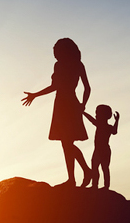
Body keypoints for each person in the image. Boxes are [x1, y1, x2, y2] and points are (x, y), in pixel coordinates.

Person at [22, 38, 91, 187]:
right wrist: (82, 105)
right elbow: (59, 86)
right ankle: (81, 174)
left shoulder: (67, 65)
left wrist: (82, 105)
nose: (55, 53)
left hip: (67, 105)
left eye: (57, 50)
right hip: (64, 104)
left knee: (67, 142)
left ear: (65, 51)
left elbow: (83, 88)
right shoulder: (64, 65)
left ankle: (77, 176)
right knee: (66, 143)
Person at [83, 105, 119, 190]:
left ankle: (101, 186)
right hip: (101, 150)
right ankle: (98, 185)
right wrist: (117, 121)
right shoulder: (107, 126)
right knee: (99, 167)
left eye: (97, 114)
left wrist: (83, 112)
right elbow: (114, 131)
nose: (96, 116)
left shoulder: (101, 125)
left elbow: (92, 120)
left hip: (102, 150)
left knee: (102, 168)